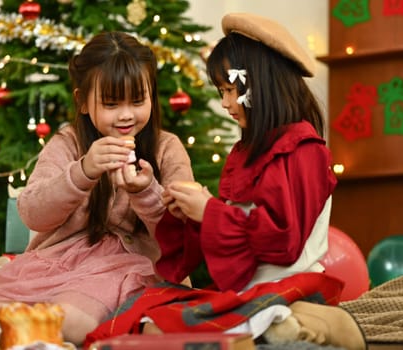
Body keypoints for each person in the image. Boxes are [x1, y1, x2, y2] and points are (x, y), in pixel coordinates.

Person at [84, 13, 367, 350]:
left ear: (264, 85)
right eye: (222, 91)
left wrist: (210, 212)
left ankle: (300, 322)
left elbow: (284, 241)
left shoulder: (304, 150)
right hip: (250, 292)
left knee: (170, 326)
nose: (225, 103)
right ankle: (272, 324)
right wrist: (188, 213)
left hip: (291, 285)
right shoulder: (246, 153)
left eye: (232, 91)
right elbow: (230, 239)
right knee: (147, 314)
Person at [0, 31, 194, 345]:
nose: (126, 114)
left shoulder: (166, 148)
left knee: (69, 320)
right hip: (59, 262)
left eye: (138, 100)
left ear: (151, 96)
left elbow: (182, 235)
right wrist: (82, 172)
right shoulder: (67, 142)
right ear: (83, 102)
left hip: (129, 267)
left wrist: (145, 192)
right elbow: (33, 213)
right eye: (112, 103)